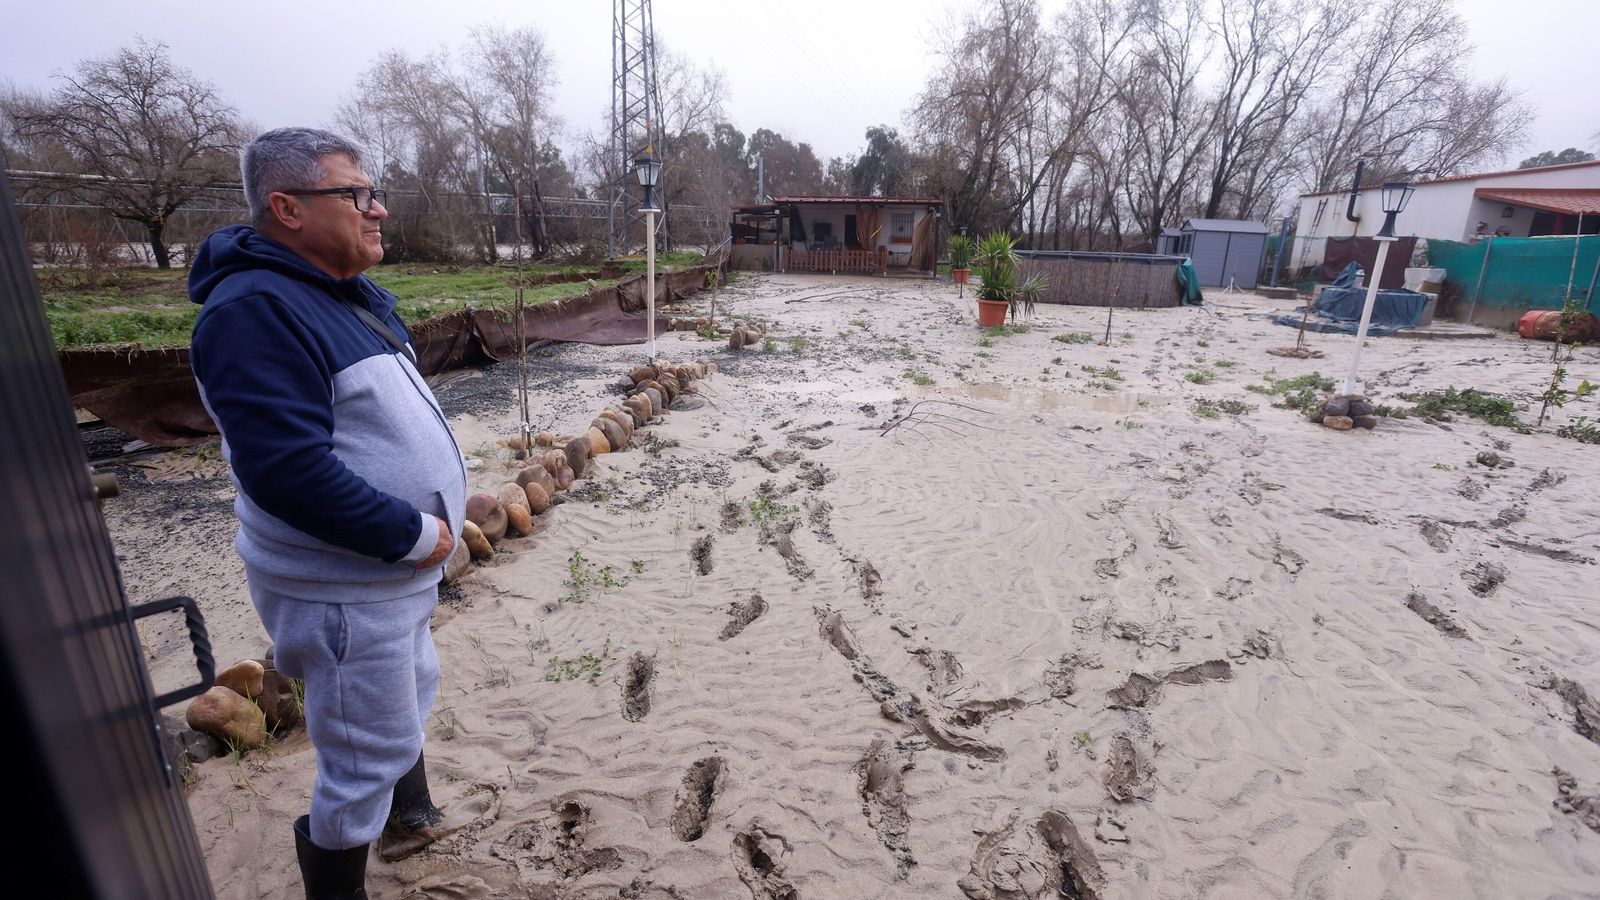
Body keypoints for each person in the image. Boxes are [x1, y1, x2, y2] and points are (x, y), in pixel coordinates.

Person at [189, 127, 468, 899]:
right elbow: (287, 470)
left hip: (388, 582)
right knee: (360, 759)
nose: (377, 210)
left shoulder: (337, 292)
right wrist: (411, 532)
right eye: (356, 194)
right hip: (344, 587)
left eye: (374, 193)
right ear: (287, 207)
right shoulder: (254, 312)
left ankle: (407, 818)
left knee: (400, 709)